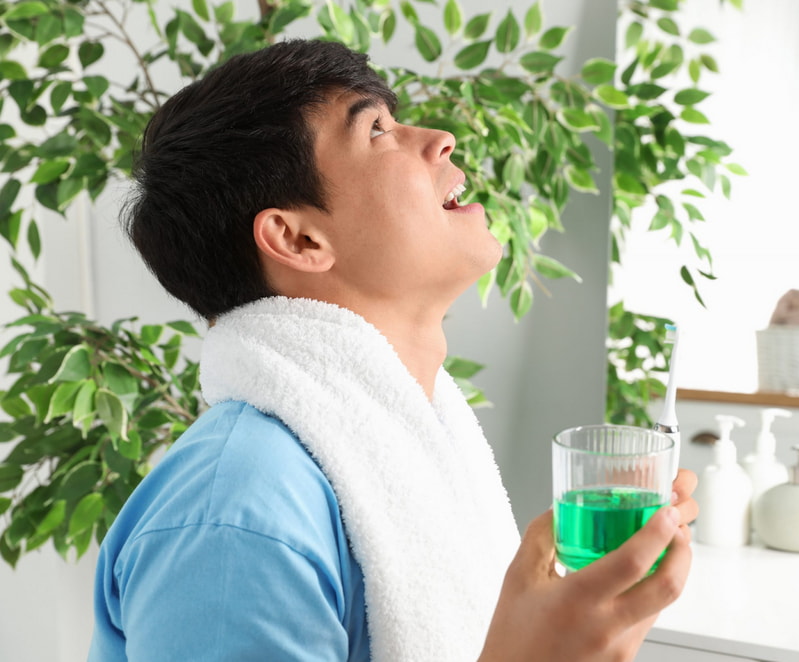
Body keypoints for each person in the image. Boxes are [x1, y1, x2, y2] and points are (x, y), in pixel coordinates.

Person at [87, 39, 697, 662]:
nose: (441, 139)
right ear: (297, 237)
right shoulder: (236, 515)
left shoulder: (409, 443)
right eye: (377, 130)